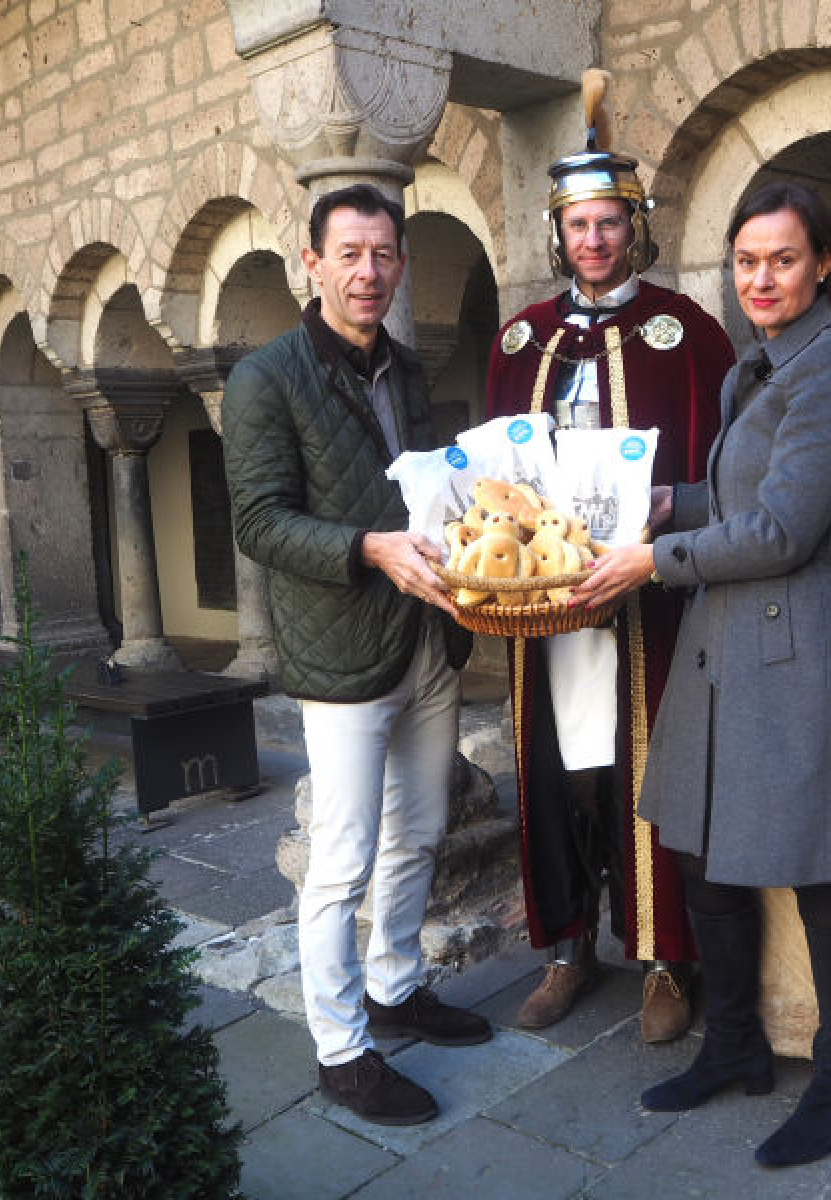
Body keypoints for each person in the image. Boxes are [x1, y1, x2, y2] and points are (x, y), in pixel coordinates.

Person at [573, 180, 831, 1168]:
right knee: (694, 851)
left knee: (822, 877)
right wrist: (659, 504)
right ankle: (734, 1048)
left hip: (802, 648)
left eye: (780, 259)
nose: (759, 278)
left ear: (822, 267)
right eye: (745, 261)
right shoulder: (756, 368)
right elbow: (734, 496)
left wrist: (651, 561)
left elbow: (780, 530)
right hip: (726, 642)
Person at [222, 183, 490, 1128]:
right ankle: (342, 1047)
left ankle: (395, 986)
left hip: (427, 639)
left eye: (383, 255)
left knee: (419, 832)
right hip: (342, 651)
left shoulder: (410, 374)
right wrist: (368, 549)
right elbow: (257, 522)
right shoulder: (267, 378)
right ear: (314, 262)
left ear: (399, 264)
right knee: (341, 860)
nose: (368, 272)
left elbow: (434, 494)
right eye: (350, 254)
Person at [485, 74, 732, 1043]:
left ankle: (664, 958)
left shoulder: (687, 333)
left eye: (609, 223)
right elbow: (494, 472)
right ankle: (565, 944)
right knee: (561, 774)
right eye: (578, 226)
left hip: (648, 600)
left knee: (646, 771)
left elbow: (722, 469)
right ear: (559, 234)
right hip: (542, 602)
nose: (593, 240)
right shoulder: (521, 337)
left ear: (636, 227)